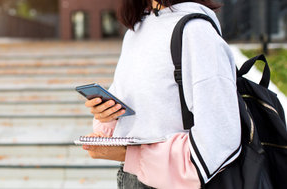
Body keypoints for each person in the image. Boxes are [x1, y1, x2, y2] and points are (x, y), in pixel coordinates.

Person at [81, 0, 241, 188]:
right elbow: (136, 111)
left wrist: (131, 155)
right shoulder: (136, 30)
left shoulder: (196, 31)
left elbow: (219, 139)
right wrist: (107, 117)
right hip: (132, 179)